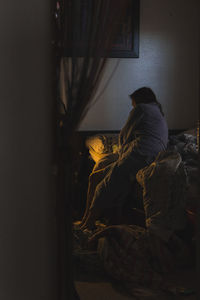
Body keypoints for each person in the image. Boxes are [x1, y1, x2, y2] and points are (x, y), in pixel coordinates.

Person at [80, 87, 168, 230]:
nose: (132, 105)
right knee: (95, 176)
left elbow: (124, 136)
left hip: (140, 154)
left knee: (105, 185)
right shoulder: (158, 113)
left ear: (137, 100)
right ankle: (86, 219)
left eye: (132, 102)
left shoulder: (141, 109)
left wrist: (121, 154)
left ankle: (88, 222)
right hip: (153, 155)